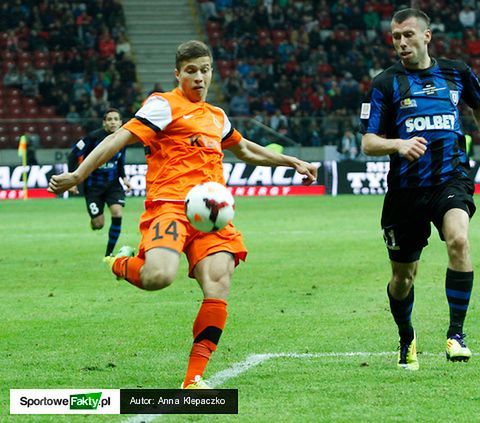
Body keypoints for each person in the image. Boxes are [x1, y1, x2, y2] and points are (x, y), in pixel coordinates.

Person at [49, 40, 317, 389]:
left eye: (205, 70)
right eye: (191, 70)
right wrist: (79, 174)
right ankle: (120, 262)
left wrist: (291, 160)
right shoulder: (163, 105)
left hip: (213, 213)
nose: (199, 77)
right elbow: (118, 140)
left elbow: (247, 149)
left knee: (219, 283)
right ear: (178, 73)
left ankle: (193, 379)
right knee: (158, 277)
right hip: (171, 205)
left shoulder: (217, 117)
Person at [360, 8, 480, 371]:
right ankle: (406, 335)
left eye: (408, 35)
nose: (401, 43)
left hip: (450, 180)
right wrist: (398, 145)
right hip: (406, 192)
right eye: (396, 37)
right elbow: (368, 142)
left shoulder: (456, 72)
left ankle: (456, 334)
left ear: (427, 36)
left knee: (459, 240)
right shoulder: (384, 84)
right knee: (402, 277)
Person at [67, 109, 131, 257]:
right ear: (104, 123)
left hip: (113, 185)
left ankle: (108, 254)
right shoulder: (92, 138)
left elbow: (120, 160)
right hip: (93, 187)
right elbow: (72, 155)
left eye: (116, 119)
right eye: (109, 119)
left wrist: (124, 178)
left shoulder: (124, 138)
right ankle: (94, 222)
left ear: (121, 122)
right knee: (98, 224)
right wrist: (72, 181)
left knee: (117, 212)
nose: (113, 122)